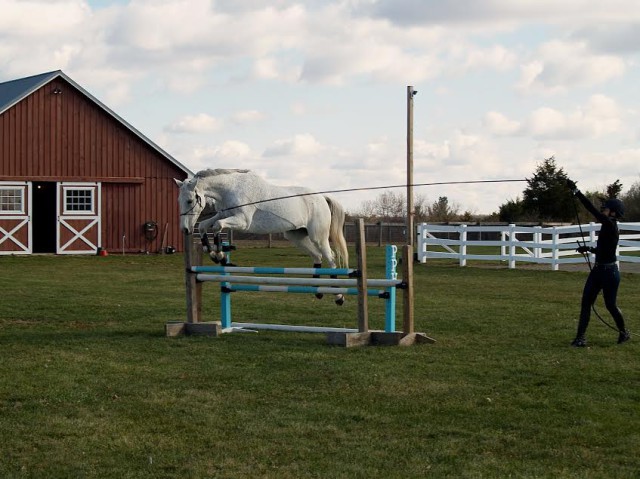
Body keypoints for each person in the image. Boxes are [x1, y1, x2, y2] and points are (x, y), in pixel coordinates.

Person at [566, 179, 630, 347]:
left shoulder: (609, 225)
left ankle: (624, 332)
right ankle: (580, 338)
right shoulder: (608, 226)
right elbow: (605, 250)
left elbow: (591, 209)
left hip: (609, 273)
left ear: (614, 213)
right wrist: (589, 248)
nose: (604, 210)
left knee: (610, 305)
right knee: (586, 302)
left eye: (607, 208)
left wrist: (576, 191)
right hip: (598, 271)